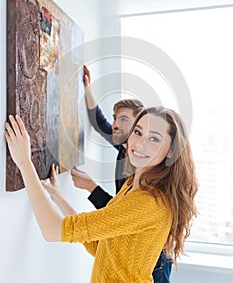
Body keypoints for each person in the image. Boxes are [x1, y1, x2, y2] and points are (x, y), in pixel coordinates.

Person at [5, 107, 198, 283]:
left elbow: (52, 231)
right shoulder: (133, 186)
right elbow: (101, 247)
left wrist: (24, 162)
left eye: (154, 138)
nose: (139, 143)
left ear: (171, 151)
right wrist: (58, 199)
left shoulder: (149, 202)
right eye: (138, 132)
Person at [70, 65, 174, 281]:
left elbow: (120, 213)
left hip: (153, 257)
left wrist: (91, 187)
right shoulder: (125, 147)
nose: (115, 125)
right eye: (115, 118)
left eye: (123, 120)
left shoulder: (144, 163)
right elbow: (100, 123)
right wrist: (87, 88)